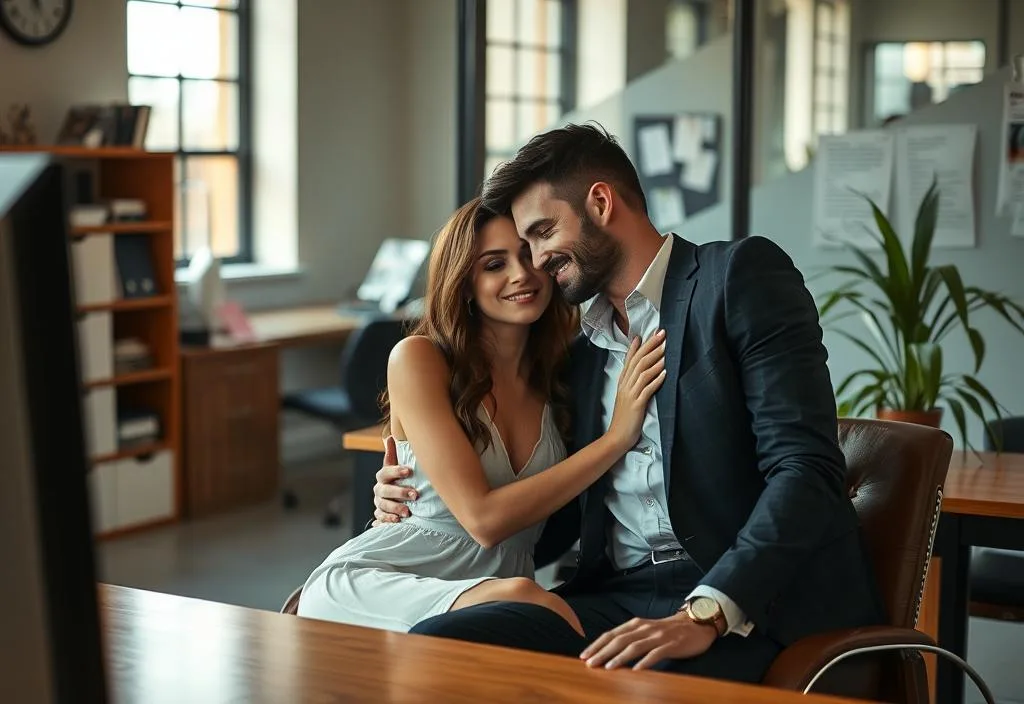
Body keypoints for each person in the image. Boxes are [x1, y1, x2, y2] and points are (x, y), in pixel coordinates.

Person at [371, 123, 885, 683]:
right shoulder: (579, 354)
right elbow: (555, 506)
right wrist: (425, 496)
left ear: (599, 202)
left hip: (750, 602)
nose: (536, 261)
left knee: (643, 683)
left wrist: (708, 610)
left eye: (543, 233)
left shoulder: (737, 279)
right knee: (441, 647)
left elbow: (804, 468)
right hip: (617, 596)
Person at [297, 197, 667, 633]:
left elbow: (568, 511)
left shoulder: (567, 375)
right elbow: (484, 521)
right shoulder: (419, 359)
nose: (521, 274)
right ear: (465, 282)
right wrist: (616, 438)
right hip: (383, 582)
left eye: (529, 254)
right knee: (527, 599)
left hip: (498, 590)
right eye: (494, 264)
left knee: (525, 606)